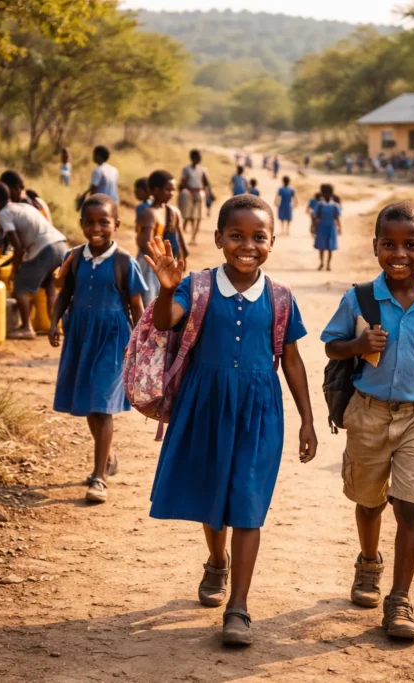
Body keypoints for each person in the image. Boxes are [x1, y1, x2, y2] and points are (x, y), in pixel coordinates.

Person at [144, 194, 317, 647]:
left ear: (272, 242)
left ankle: (238, 607)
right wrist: (165, 288)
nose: (247, 245)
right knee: (213, 496)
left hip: (260, 412)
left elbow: (294, 362)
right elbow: (166, 321)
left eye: (258, 237)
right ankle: (216, 560)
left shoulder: (280, 298)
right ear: (219, 238)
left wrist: (307, 419)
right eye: (236, 235)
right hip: (206, 405)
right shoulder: (197, 287)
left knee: (248, 503)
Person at [321, 199, 414, 641]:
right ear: (375, 247)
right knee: (368, 501)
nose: (399, 254)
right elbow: (331, 347)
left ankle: (400, 598)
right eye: (389, 244)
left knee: (411, 505)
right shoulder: (361, 298)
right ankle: (369, 561)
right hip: (368, 413)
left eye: (411, 244)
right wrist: (357, 342)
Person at [50, 194, 148, 503]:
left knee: (103, 404)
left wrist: (140, 342)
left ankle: (99, 478)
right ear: (81, 225)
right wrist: (54, 323)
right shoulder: (75, 257)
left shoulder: (123, 262)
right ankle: (108, 456)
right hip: (80, 334)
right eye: (89, 222)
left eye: (104, 222)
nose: (96, 228)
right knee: (90, 404)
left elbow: (136, 305)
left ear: (116, 225)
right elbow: (65, 293)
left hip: (113, 338)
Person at [0, 182, 68, 340]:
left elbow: (18, 248)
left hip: (45, 249)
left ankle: (26, 327)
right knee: (49, 286)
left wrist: (15, 272)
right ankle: (57, 326)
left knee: (20, 288)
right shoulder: (23, 207)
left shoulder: (4, 214)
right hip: (61, 246)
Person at [138, 170, 186, 305]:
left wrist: (180, 259)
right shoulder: (150, 213)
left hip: (165, 262)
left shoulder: (172, 211)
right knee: (150, 299)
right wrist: (158, 264)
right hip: (151, 263)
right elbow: (147, 244)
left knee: (164, 298)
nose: (171, 194)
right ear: (155, 190)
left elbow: (179, 238)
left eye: (173, 190)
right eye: (167, 190)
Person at [179, 149, 211, 247]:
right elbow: (183, 182)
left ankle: (194, 238)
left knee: (198, 216)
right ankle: (183, 236)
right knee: (188, 216)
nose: (199, 159)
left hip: (199, 192)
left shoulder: (202, 169)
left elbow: (206, 182)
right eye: (198, 157)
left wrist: (208, 192)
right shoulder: (186, 169)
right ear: (192, 158)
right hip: (189, 193)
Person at [313, 184, 341, 271]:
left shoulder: (335, 205)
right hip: (321, 227)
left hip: (331, 227)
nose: (327, 196)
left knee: (330, 247)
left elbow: (337, 217)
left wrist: (340, 227)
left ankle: (328, 264)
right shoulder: (320, 204)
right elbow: (315, 216)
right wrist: (313, 226)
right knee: (321, 247)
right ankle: (321, 263)